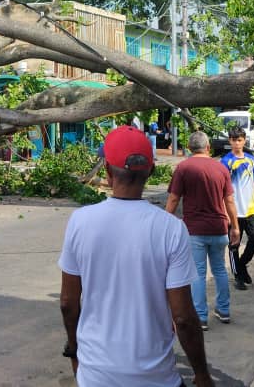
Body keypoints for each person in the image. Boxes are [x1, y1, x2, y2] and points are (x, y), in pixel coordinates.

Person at [59, 125, 215, 387]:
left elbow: (68, 302)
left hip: (96, 374)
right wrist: (201, 374)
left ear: (108, 172)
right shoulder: (171, 228)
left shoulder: (80, 222)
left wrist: (74, 349)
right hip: (156, 377)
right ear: (151, 171)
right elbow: (184, 318)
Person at [166, 131, 240, 331]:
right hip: (219, 228)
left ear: (190, 149)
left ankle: (201, 317)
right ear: (208, 147)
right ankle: (224, 311)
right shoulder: (221, 168)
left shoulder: (183, 167)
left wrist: (165, 222)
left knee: (198, 273)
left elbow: (174, 199)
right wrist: (235, 226)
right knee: (219, 270)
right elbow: (230, 201)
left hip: (195, 231)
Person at [219, 126, 254, 291]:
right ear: (229, 141)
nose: (237, 143)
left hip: (251, 208)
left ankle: (241, 265)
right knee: (234, 244)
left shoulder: (250, 159)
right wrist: (224, 211)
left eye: (239, 140)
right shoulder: (225, 162)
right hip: (234, 209)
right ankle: (237, 276)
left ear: (244, 140)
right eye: (233, 140)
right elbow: (221, 189)